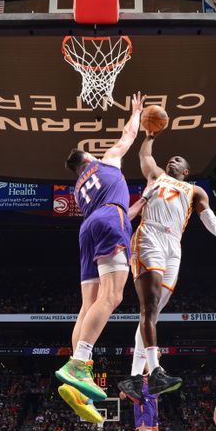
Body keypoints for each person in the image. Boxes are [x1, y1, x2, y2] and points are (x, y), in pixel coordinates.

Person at [118, 134, 216, 403]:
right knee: (148, 308)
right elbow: (144, 156)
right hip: (149, 235)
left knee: (152, 314)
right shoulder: (156, 176)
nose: (172, 159)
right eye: (170, 158)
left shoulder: (195, 192)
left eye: (178, 159)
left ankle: (135, 377)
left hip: (174, 246)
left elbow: (211, 221)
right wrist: (149, 136)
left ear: (186, 171)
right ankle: (155, 371)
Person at [55, 93, 145, 406]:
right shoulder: (106, 160)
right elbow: (129, 135)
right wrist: (136, 112)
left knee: (88, 304)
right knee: (113, 296)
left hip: (89, 228)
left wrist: (142, 203)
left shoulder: (79, 188)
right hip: (110, 220)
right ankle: (80, 363)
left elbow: (114, 212)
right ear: (89, 158)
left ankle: (77, 374)